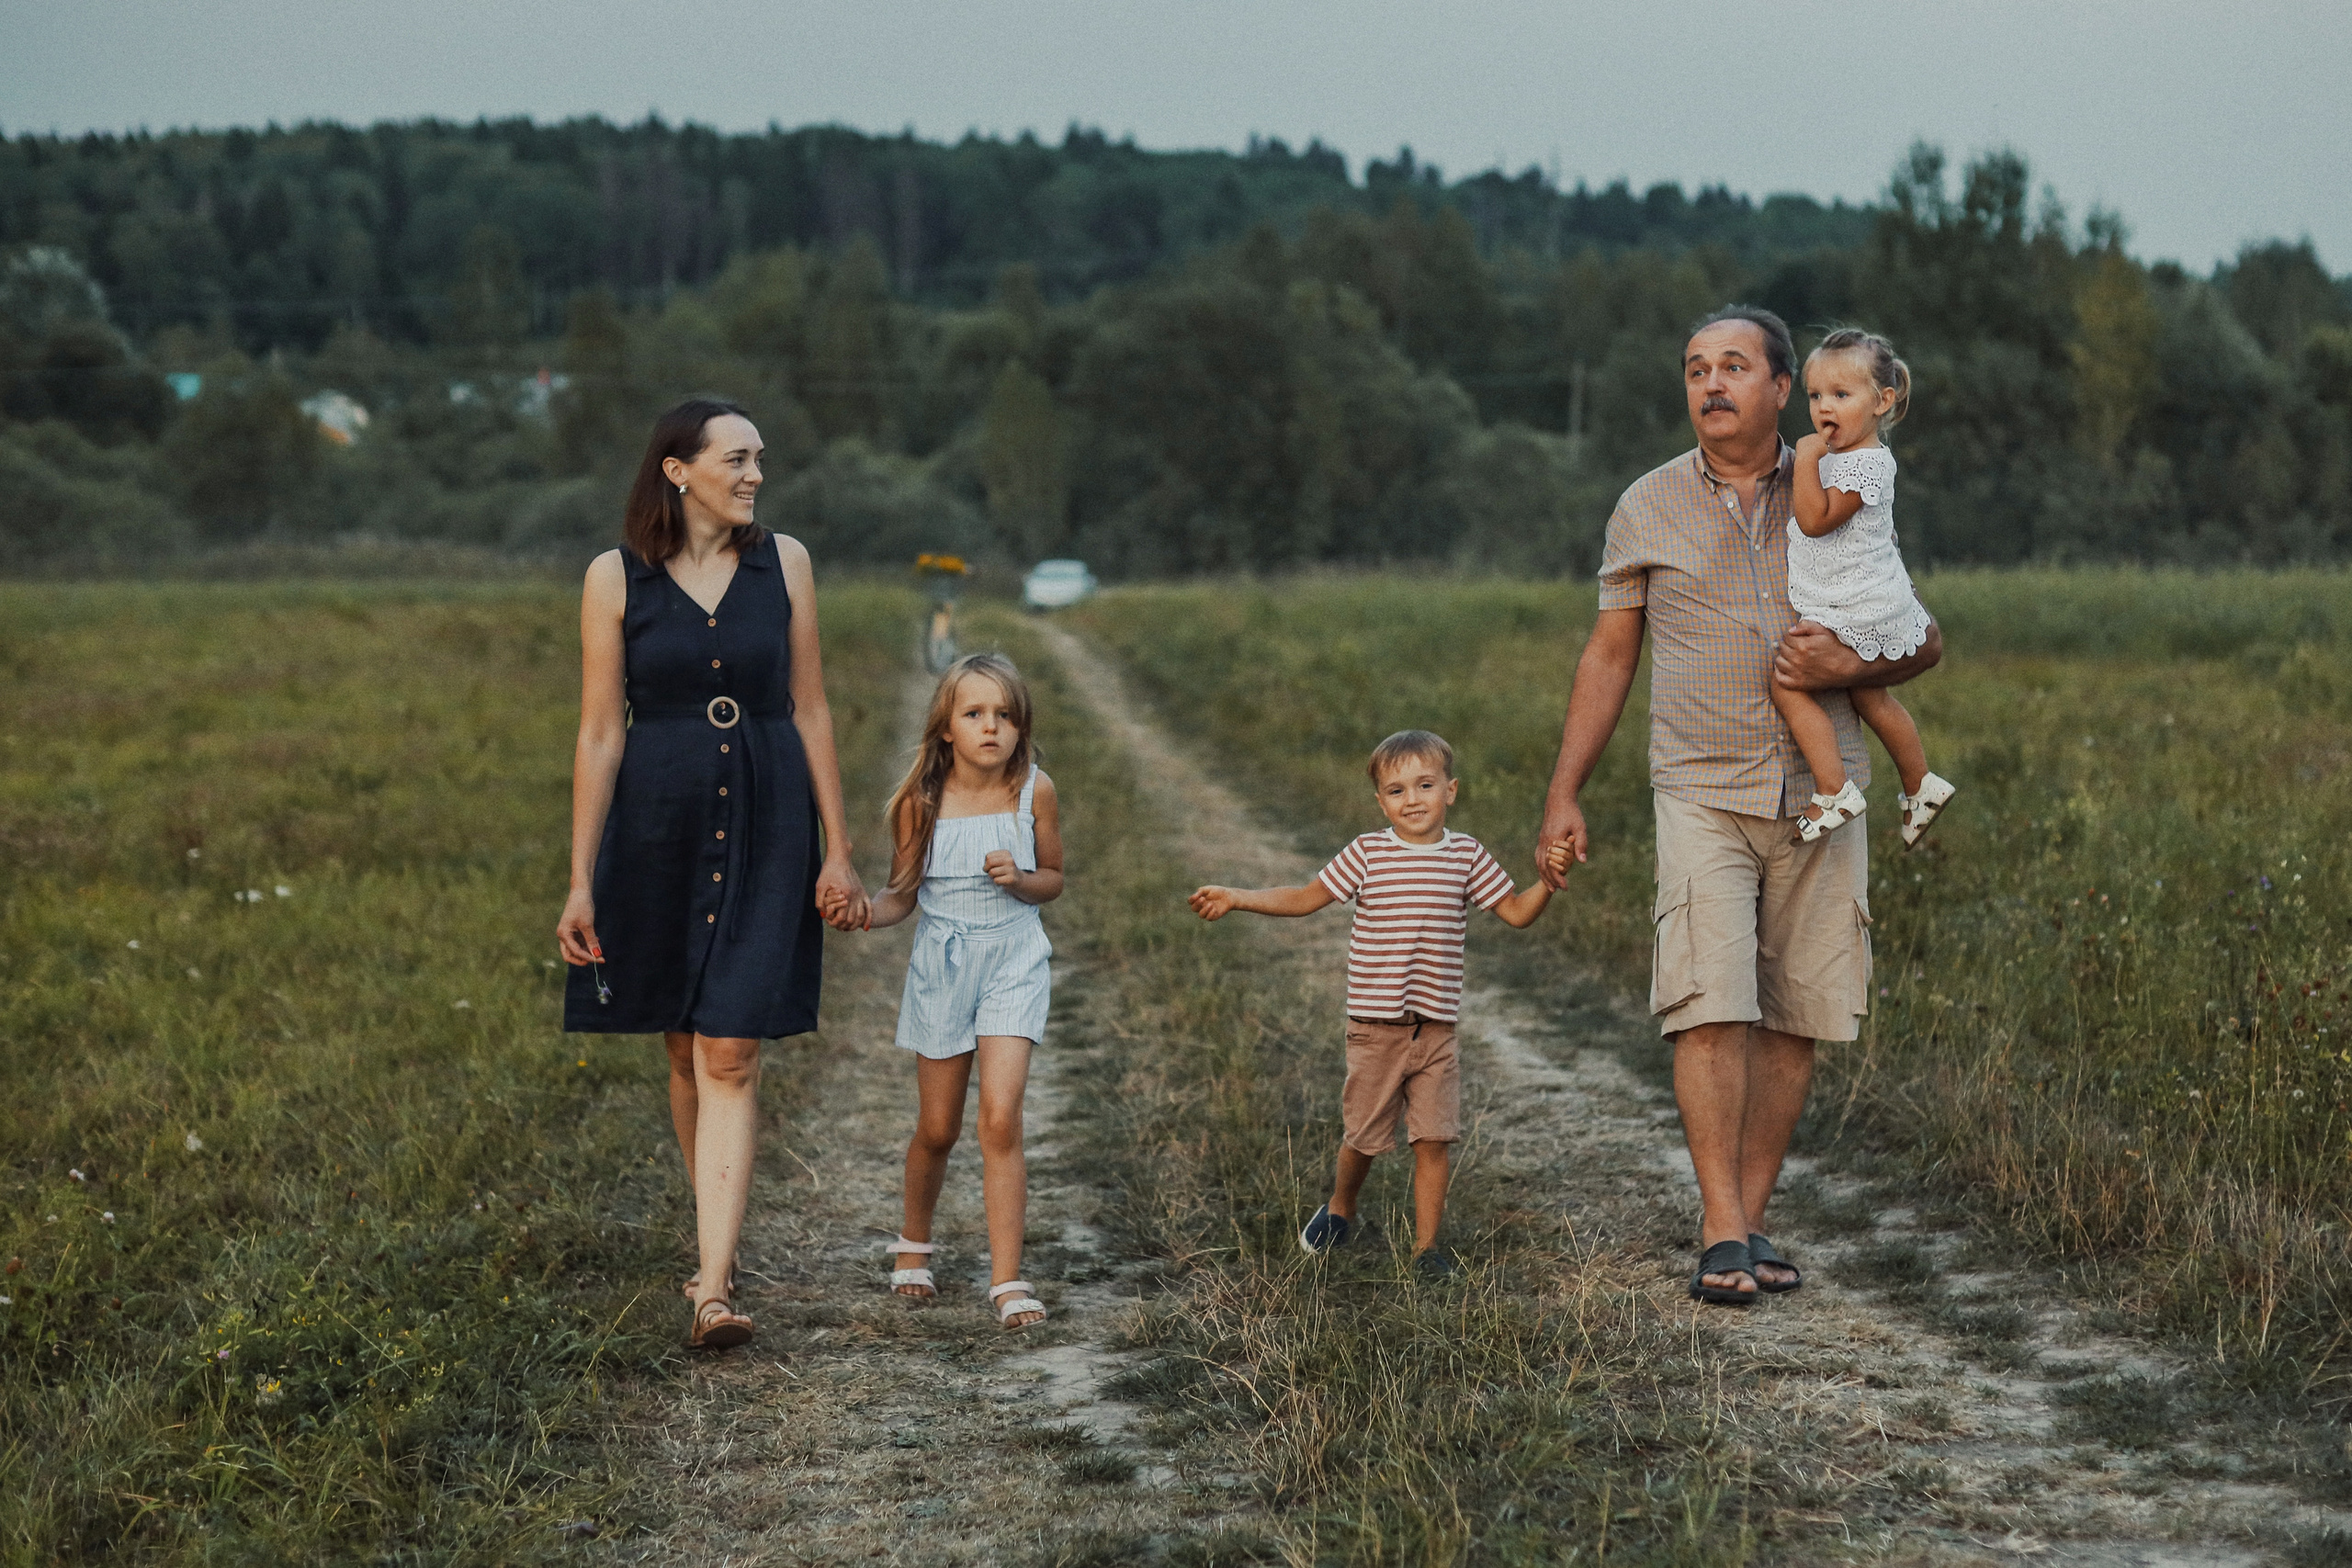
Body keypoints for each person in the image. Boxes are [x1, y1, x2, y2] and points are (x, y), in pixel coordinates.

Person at [1536, 307, 1942, 1307]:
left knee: (1795, 1014)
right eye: (1692, 369)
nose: (1710, 383)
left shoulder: (1845, 480)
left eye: (1732, 367)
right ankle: (1719, 1228)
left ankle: (1751, 1218)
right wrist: (1563, 791)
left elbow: (1920, 637)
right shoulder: (1644, 506)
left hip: (1821, 786)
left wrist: (1853, 661)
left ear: (1781, 387)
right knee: (1707, 1004)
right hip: (1701, 787)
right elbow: (1609, 655)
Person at [557, 398, 869, 1351]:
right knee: (682, 1043)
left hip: (769, 812)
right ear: (678, 470)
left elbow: (810, 708)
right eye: (737, 459)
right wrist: (579, 880)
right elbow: (601, 731)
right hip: (656, 821)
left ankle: (715, 1291)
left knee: (730, 1049)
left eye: (760, 459)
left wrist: (839, 846)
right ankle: (715, 1255)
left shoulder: (789, 564)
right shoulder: (614, 579)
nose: (755, 476)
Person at [1190, 730, 1554, 1280]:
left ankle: (1426, 1250)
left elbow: (1518, 911)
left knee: (1433, 1138)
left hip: (1434, 1029)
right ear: (1380, 802)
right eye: (1396, 789)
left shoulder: (1466, 855)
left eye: (1425, 785)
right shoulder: (1368, 852)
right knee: (1364, 1136)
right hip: (1375, 1028)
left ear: (1450, 791)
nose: (1412, 799)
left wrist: (1550, 879)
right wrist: (1240, 897)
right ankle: (1341, 1207)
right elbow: (1306, 898)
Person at [866, 654, 1063, 1330]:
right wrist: (862, 911)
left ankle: (1007, 1278)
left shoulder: (1035, 791)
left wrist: (1021, 878)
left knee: (1000, 1121)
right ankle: (913, 1241)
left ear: (1021, 726)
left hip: (1014, 958)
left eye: (1005, 715)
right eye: (975, 714)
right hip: (942, 968)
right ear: (946, 728)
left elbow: (1055, 878)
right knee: (940, 1126)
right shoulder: (921, 802)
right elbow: (900, 897)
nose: (992, 727)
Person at [1773, 327, 1957, 846]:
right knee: (1867, 695)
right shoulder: (1844, 459)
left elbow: (1816, 520)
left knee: (1786, 682)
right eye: (1815, 395)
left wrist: (1804, 460)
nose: (1824, 407)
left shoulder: (1867, 464)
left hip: (1858, 603)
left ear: (1883, 402)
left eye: (1841, 395)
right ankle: (1921, 783)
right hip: (1864, 595)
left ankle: (1833, 789)